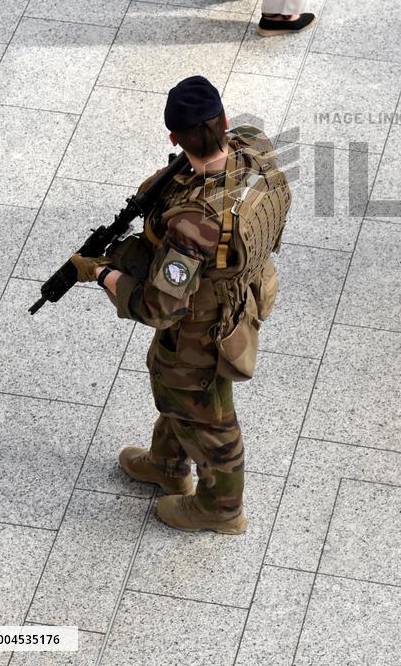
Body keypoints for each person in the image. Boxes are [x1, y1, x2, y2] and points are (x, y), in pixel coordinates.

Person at [71, 76, 291, 531]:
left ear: (174, 137)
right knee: (173, 386)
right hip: (245, 288)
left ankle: (222, 508)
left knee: (207, 412)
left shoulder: (194, 223)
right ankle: (168, 465)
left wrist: (101, 273)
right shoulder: (255, 147)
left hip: (203, 326)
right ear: (225, 121)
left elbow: (158, 308)